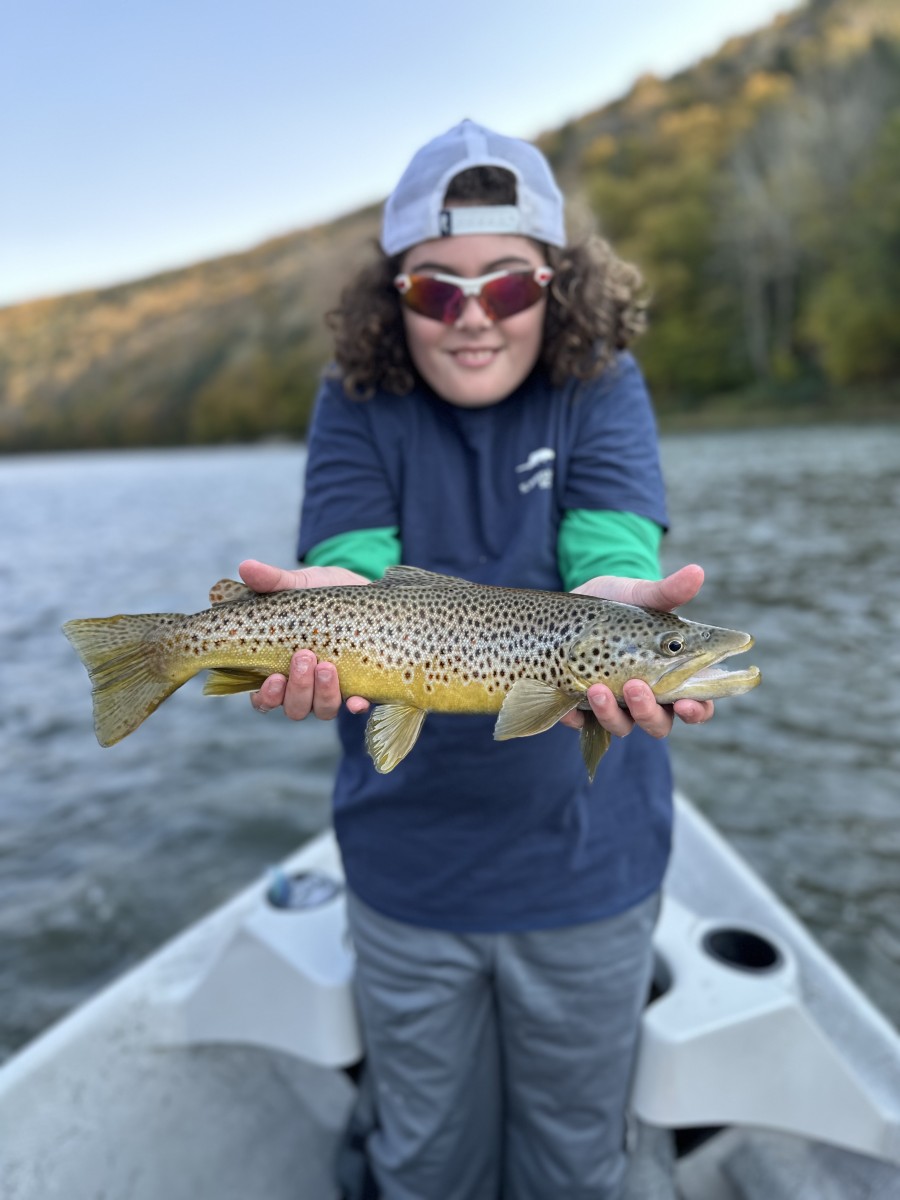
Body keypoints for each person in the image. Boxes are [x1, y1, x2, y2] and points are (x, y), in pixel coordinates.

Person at [239, 119, 714, 1200]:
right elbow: (352, 573)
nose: (470, 319)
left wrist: (617, 616)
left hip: (590, 865)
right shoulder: (353, 400)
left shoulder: (601, 384)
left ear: (558, 286)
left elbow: (608, 559)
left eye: (505, 287)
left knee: (572, 1164)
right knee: (426, 1162)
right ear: (390, 297)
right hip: (407, 869)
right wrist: (327, 618)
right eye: (432, 290)